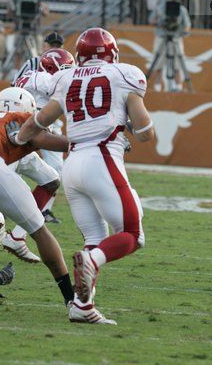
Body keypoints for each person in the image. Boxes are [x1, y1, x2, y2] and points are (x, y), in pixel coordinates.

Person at [15, 27, 155, 325]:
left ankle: (82, 304)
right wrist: (135, 117)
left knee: (95, 236)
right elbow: (144, 134)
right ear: (112, 53)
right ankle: (92, 261)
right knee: (133, 234)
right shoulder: (125, 75)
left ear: (80, 56)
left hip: (72, 166)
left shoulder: (66, 79)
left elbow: (35, 124)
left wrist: (18, 139)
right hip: (102, 158)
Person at [0, 87, 75, 311]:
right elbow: (50, 141)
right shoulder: (21, 118)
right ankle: (72, 299)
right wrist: (91, 142)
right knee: (40, 232)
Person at [13, 48, 77, 224]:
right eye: (65, 68)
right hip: (21, 132)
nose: (69, 73)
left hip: (34, 127)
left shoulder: (37, 78)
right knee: (10, 183)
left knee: (52, 175)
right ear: (51, 67)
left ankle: (35, 217)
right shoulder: (42, 78)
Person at [149, 0, 192, 91]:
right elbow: (151, 20)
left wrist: (181, 30)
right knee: (158, 64)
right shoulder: (160, 8)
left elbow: (187, 25)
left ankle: (178, 87)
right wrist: (161, 21)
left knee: (177, 65)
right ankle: (157, 88)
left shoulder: (181, 10)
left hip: (176, 39)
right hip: (162, 38)